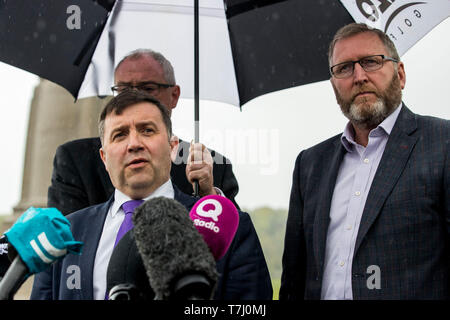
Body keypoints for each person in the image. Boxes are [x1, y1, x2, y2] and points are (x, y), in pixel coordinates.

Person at [30, 90, 272, 300]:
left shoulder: (227, 231)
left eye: (147, 130)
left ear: (173, 147)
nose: (134, 144)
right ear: (104, 158)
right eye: (120, 135)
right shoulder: (64, 235)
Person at [280, 23, 449, 300]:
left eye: (371, 62)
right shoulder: (309, 164)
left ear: (401, 74)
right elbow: (294, 278)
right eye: (344, 68)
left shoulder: (442, 144)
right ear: (334, 84)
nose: (358, 76)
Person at [47, 49, 240, 215]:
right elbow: (67, 242)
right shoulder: (77, 160)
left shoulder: (211, 168)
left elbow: (236, 247)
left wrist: (209, 196)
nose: (134, 97)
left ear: (174, 95)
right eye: (123, 89)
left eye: (147, 88)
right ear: (104, 157)